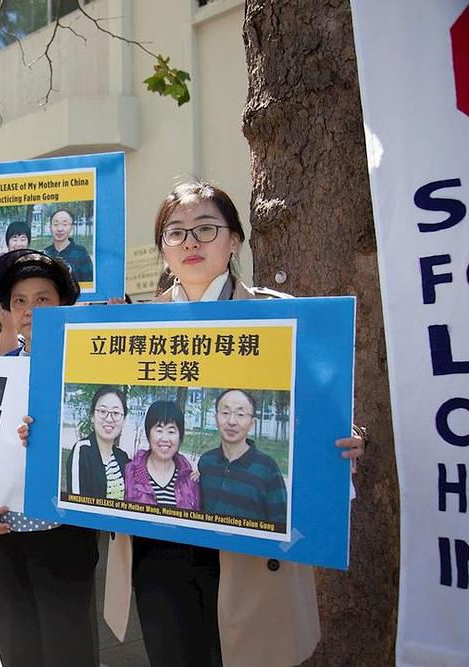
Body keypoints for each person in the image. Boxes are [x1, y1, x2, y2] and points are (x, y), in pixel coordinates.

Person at [103, 179, 365, 667]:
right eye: (176, 232)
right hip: (159, 538)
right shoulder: (126, 327)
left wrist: (348, 442)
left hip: (249, 538)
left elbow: (327, 415)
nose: (191, 243)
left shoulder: (282, 319)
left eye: (206, 229)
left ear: (235, 240)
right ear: (162, 249)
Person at [0, 248, 100, 667]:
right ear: (6, 311)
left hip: (62, 530)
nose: (29, 310)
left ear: (64, 305)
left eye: (42, 299)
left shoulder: (88, 368)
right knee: (15, 641)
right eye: (19, 302)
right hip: (2, 528)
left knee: (67, 643)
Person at [198, 389, 285, 525]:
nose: (232, 421)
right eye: (225, 413)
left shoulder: (267, 468)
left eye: (240, 414)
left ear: (252, 423)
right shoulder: (206, 462)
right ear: (216, 418)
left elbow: (281, 522)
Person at [124, 400, 199, 509]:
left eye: (171, 431)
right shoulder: (130, 472)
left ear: (180, 436)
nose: (165, 439)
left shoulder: (190, 478)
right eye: (159, 430)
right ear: (148, 433)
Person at [65, 385, 131, 500]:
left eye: (116, 413)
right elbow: (76, 503)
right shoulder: (82, 450)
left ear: (124, 420)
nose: (109, 419)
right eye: (102, 411)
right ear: (92, 416)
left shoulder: (122, 457)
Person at [43, 209, 93, 282]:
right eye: (56, 224)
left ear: (72, 228)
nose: (60, 229)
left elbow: (89, 282)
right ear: (50, 227)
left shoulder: (81, 252)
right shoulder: (45, 253)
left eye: (65, 224)